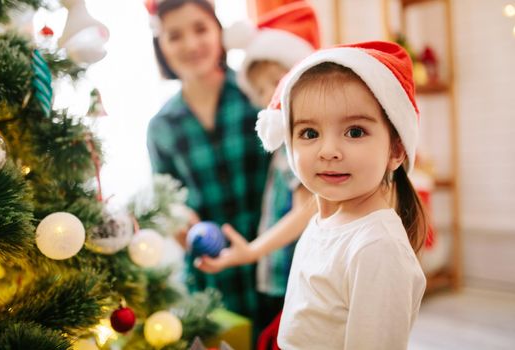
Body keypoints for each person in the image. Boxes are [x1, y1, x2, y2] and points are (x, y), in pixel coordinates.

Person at [255, 41, 428, 349]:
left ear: (396, 149)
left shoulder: (377, 247)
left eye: (355, 132)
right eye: (309, 133)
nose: (329, 151)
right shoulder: (324, 222)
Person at [195, 2, 320, 332]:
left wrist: (253, 250)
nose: (271, 96)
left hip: (294, 277)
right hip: (280, 276)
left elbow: (305, 210)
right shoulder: (286, 144)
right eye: (263, 90)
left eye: (278, 82)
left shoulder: (301, 146)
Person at [146, 0, 270, 323]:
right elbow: (167, 202)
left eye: (200, 29)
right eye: (175, 35)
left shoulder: (257, 95)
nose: (190, 44)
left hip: (275, 262)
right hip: (210, 280)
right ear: (161, 45)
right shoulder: (161, 126)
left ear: (220, 32)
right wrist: (177, 218)